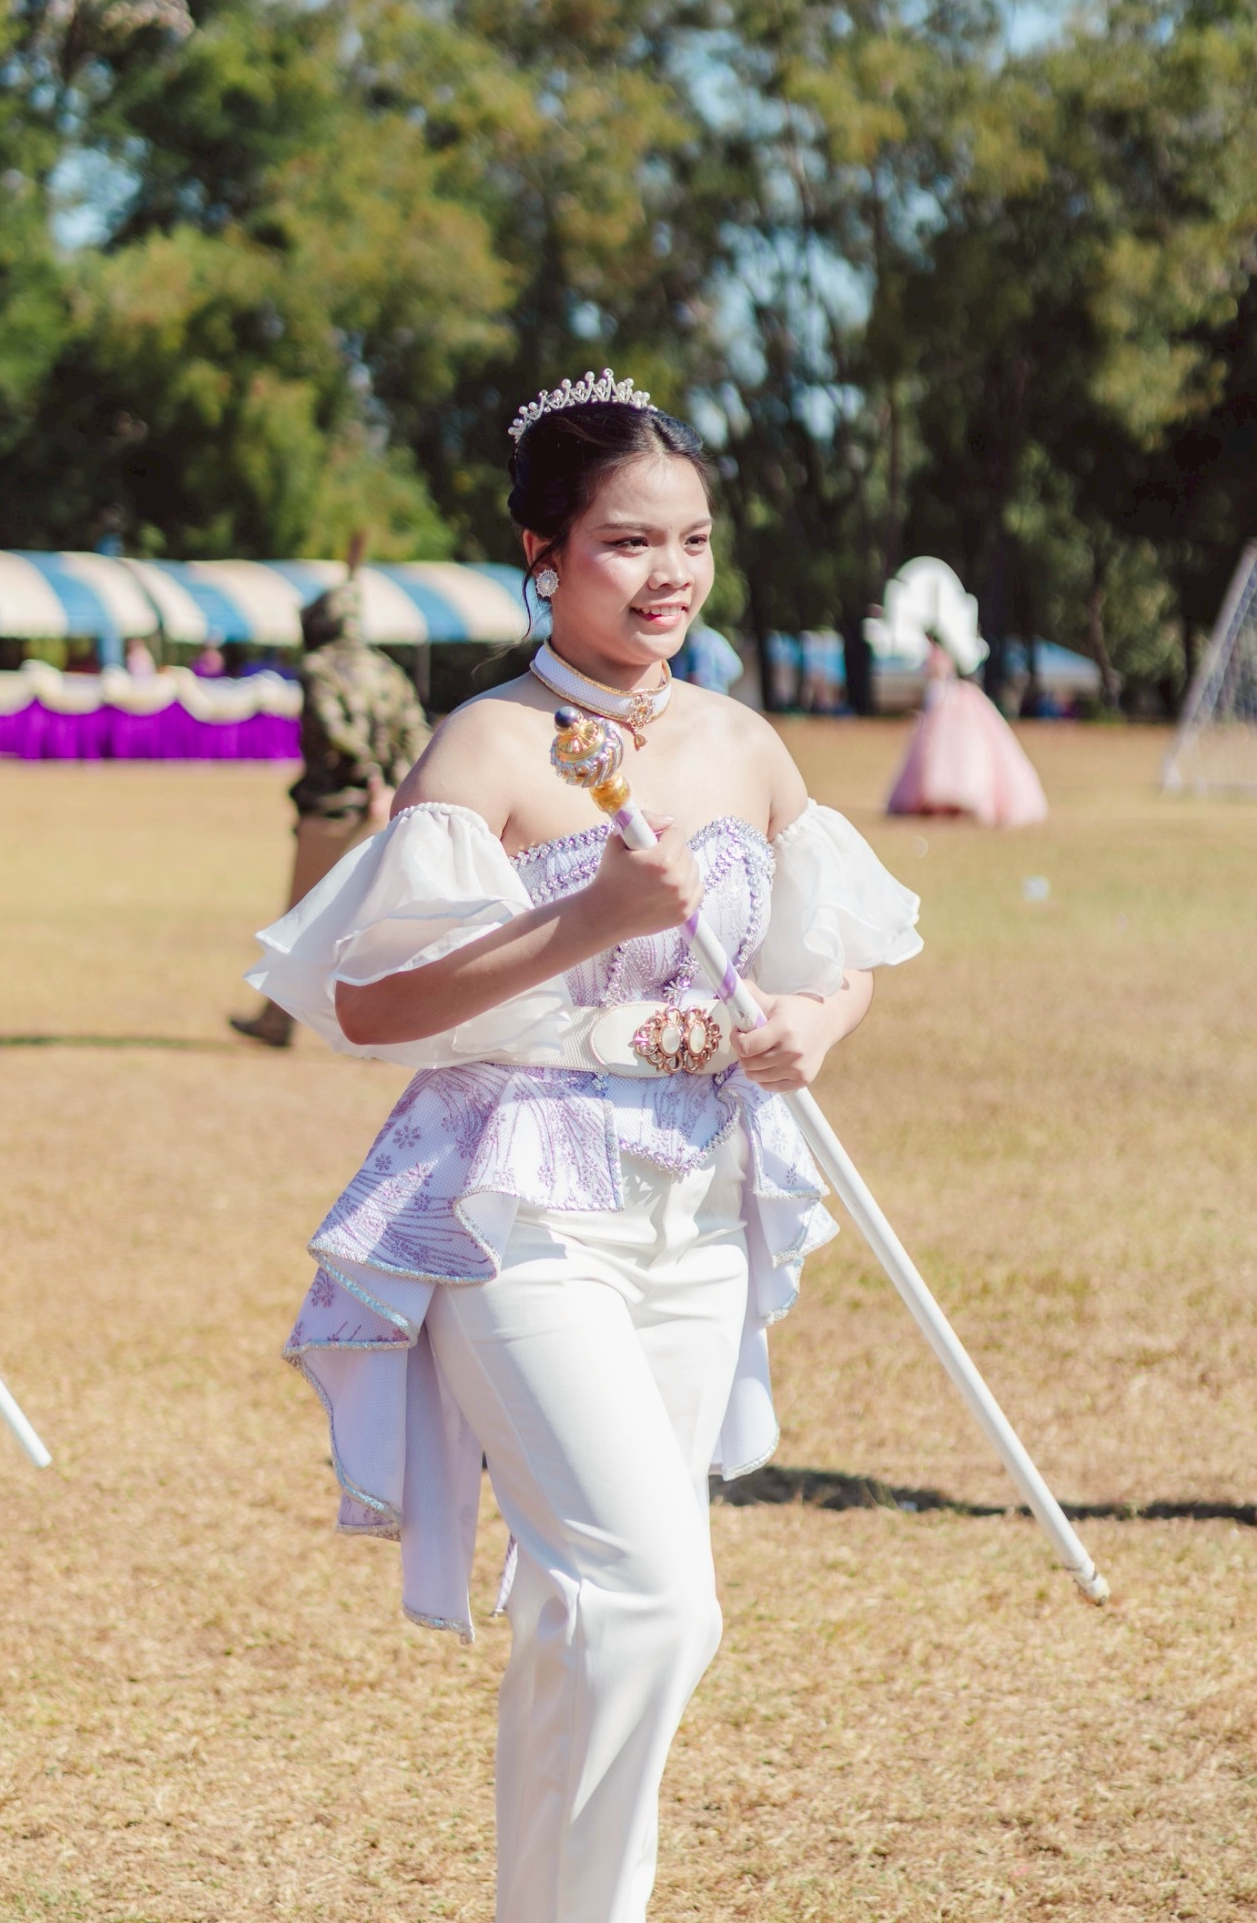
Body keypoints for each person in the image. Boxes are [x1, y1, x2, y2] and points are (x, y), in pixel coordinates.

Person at [248, 368, 923, 1922]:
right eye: (627, 541)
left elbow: (839, 958)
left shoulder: (744, 744)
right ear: (543, 555)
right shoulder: (484, 750)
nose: (668, 573)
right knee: (653, 1601)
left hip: (699, 1208)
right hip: (518, 1213)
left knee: (588, 1613)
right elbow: (370, 1004)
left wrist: (814, 1025)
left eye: (691, 539)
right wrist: (586, 920)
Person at [231, 560, 431, 1048]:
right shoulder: (386, 669)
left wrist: (369, 777)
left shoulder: (319, 668)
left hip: (336, 808)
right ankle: (391, 1026)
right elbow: (415, 732)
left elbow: (333, 729)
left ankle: (278, 1022)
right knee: (373, 924)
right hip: (386, 811)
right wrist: (396, 785)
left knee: (304, 921)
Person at [886, 635, 1049, 827]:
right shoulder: (953, 655)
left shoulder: (945, 657)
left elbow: (938, 681)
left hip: (950, 702)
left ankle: (953, 798)